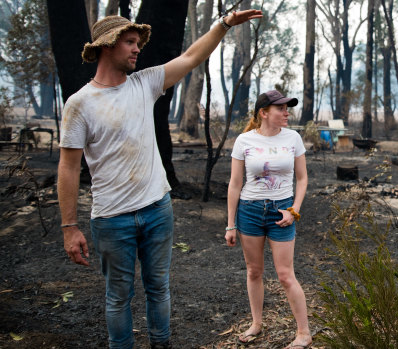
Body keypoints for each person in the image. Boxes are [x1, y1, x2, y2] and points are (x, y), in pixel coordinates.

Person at [57, 10, 262, 349]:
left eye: (138, 43)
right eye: (130, 42)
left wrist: (224, 25)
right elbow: (67, 167)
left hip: (157, 209)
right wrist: (69, 227)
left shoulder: (145, 82)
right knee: (118, 296)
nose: (137, 49)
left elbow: (192, 56)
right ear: (108, 46)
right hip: (111, 218)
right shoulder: (80, 104)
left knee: (159, 287)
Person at [225, 90, 312, 349]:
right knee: (254, 271)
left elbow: (302, 178)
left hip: (282, 212)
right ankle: (256, 323)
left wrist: (294, 209)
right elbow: (235, 184)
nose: (287, 112)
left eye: (287, 108)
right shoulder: (244, 141)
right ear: (264, 113)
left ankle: (304, 333)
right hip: (249, 210)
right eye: (281, 108)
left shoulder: (293, 138)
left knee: (285, 275)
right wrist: (231, 224)